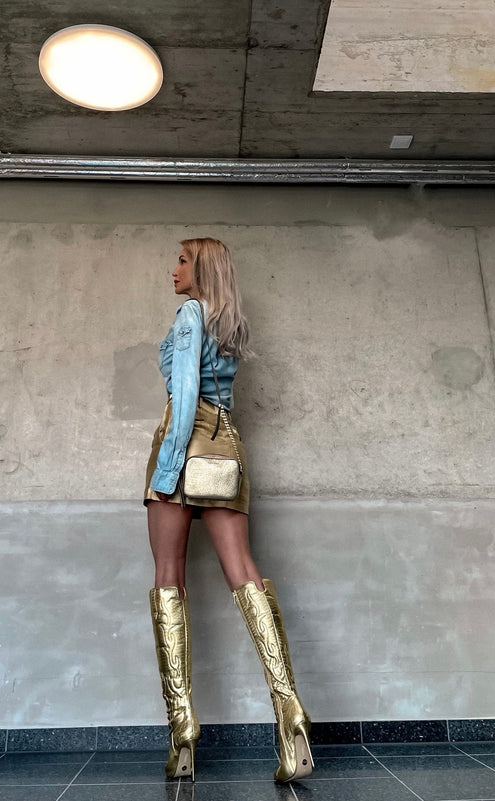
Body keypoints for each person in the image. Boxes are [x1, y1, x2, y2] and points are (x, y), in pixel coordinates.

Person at [144, 237, 313, 783]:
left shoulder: (190, 314)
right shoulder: (228, 323)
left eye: (182, 260)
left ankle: (182, 727)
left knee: (168, 576)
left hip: (185, 442)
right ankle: (289, 709)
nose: (173, 269)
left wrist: (168, 470)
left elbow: (186, 393)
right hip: (226, 446)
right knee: (244, 571)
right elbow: (219, 395)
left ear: (202, 269)